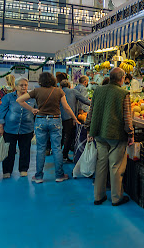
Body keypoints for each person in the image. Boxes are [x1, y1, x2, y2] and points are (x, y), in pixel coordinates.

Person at [17, 72, 79, 184]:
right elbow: (66, 107)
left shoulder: (36, 91)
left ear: (41, 80)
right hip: (55, 120)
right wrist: (75, 118)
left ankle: (38, 176)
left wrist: (32, 109)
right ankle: (59, 175)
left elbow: (19, 100)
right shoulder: (59, 91)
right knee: (57, 148)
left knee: (41, 149)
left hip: (40, 120)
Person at [85, 68, 134, 206]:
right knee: (116, 167)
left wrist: (88, 128)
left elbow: (91, 111)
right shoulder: (123, 93)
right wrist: (130, 134)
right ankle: (116, 198)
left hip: (99, 134)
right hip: (116, 136)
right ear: (122, 78)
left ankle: (98, 196)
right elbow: (127, 117)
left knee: (100, 165)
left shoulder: (98, 91)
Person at [0, 77, 36, 179]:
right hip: (10, 129)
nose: (24, 87)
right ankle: (7, 171)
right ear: (16, 86)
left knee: (25, 150)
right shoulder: (8, 97)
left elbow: (36, 112)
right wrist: (0, 126)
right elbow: (2, 112)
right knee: (9, 151)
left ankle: (23, 169)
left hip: (27, 128)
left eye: (25, 85)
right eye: (21, 85)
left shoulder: (32, 98)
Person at [60, 80, 90, 162]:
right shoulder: (73, 91)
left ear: (61, 86)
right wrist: (94, 104)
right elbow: (84, 100)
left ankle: (57, 155)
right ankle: (64, 155)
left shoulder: (58, 91)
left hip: (58, 117)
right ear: (69, 86)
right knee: (69, 137)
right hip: (70, 117)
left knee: (60, 137)